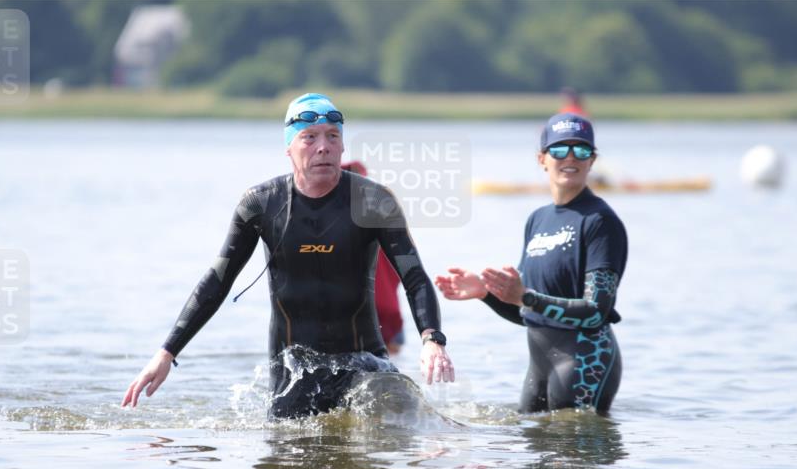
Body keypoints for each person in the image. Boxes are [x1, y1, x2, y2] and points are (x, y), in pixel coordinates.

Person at [123, 93, 454, 418]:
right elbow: (217, 282)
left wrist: (432, 340)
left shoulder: (374, 201)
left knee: (398, 415)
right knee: (288, 445)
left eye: (333, 136)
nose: (323, 146)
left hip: (366, 366)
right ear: (289, 147)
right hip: (293, 376)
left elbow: (414, 278)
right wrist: (166, 353)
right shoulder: (261, 204)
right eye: (309, 137)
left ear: (342, 146)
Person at [435, 113, 627, 413]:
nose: (570, 157)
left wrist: (525, 297)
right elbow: (528, 314)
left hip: (585, 361)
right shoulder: (537, 220)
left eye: (581, 150)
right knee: (527, 441)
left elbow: (595, 312)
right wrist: (486, 293)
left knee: (572, 444)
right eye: (560, 149)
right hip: (539, 367)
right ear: (542, 159)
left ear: (592, 161)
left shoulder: (600, 222)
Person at [340, 160, 405, 355]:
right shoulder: (383, 216)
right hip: (390, 312)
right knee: (390, 366)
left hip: (360, 315)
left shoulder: (337, 223)